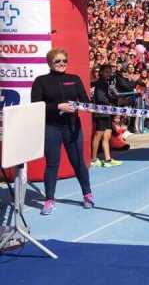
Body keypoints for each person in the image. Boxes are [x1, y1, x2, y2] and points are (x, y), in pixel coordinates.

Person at [31, 49, 95, 215]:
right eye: (57, 61)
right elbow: (36, 106)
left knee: (78, 162)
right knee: (52, 164)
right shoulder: (41, 81)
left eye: (64, 61)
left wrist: (86, 106)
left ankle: (87, 194)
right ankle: (49, 200)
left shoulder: (74, 79)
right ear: (50, 63)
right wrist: (58, 106)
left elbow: (85, 102)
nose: (61, 64)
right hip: (51, 127)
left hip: (72, 126)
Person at [90, 65, 123, 168]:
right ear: (101, 72)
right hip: (100, 112)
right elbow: (100, 98)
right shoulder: (100, 83)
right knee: (98, 135)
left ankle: (107, 159)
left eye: (110, 72)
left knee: (107, 136)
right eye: (106, 72)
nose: (108, 74)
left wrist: (115, 99)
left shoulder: (106, 83)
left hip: (107, 112)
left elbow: (106, 97)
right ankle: (94, 159)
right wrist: (111, 101)